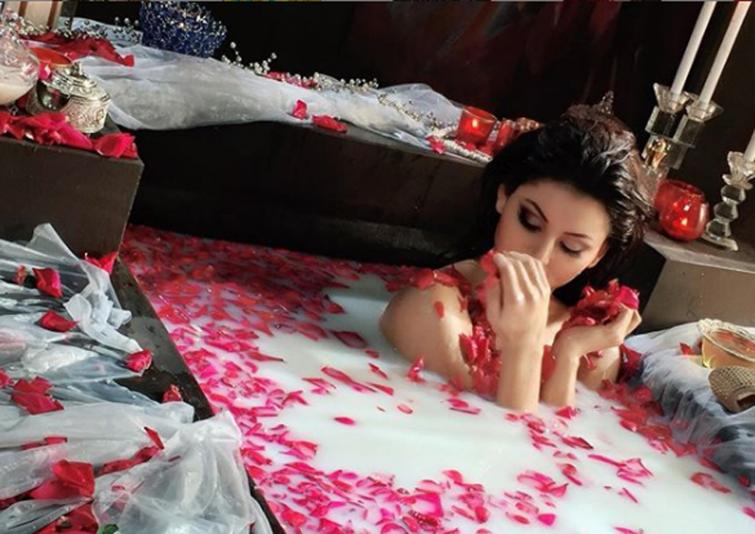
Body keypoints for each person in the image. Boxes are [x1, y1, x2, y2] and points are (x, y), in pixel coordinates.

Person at [380, 101, 652, 412]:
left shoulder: (591, 340)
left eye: (571, 247)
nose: (540, 256)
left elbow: (564, 439)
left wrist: (569, 355)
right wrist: (524, 344)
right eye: (530, 222)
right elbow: (495, 434)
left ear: (597, 254)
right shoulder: (430, 307)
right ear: (504, 195)